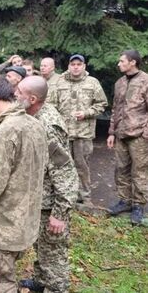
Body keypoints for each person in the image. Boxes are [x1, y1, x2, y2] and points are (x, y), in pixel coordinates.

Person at [0, 75, 48, 293]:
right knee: (7, 273)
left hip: (1, 230)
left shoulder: (4, 133)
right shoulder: (34, 124)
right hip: (24, 223)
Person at [16, 76, 79, 293]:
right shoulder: (34, 115)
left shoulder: (48, 126)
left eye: (19, 93)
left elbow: (65, 172)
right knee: (43, 247)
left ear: (32, 99)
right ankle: (41, 281)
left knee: (54, 254)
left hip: (51, 204)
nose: (15, 95)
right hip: (39, 200)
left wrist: (59, 214)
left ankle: (55, 287)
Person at [53, 54, 107, 205]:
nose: (76, 67)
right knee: (62, 165)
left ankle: (85, 197)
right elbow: (52, 105)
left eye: (79, 64)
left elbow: (102, 104)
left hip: (83, 133)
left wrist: (86, 113)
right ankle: (67, 195)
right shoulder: (60, 82)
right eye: (73, 64)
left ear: (84, 66)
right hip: (63, 133)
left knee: (82, 166)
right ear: (69, 66)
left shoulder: (92, 83)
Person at [107, 49, 148, 225]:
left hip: (139, 134)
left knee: (139, 171)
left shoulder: (146, 80)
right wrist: (111, 132)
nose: (119, 64)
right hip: (121, 133)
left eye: (122, 61)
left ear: (133, 62)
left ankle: (139, 205)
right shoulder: (119, 83)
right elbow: (115, 109)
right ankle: (125, 201)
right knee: (121, 169)